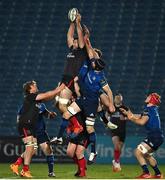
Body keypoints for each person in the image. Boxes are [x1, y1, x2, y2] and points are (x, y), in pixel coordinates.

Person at [10, 80, 64, 178]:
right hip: (26, 125)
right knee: (30, 147)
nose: (36, 85)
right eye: (34, 85)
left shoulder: (38, 102)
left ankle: (16, 165)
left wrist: (57, 91)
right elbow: (47, 94)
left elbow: (49, 97)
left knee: (33, 149)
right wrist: (59, 89)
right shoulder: (30, 97)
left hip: (32, 127)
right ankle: (24, 170)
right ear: (30, 88)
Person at [120, 93, 164, 179]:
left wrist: (131, 117)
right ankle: (158, 174)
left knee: (137, 152)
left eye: (149, 96)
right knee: (147, 155)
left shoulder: (147, 109)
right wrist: (128, 114)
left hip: (153, 137)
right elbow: (140, 116)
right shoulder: (153, 109)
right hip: (158, 137)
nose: (147, 97)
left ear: (152, 99)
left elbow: (141, 122)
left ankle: (146, 173)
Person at [108, 93, 128, 172]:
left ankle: (115, 160)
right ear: (114, 99)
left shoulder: (124, 108)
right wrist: (107, 122)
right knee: (116, 146)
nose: (118, 99)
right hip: (114, 130)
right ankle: (117, 162)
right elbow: (106, 115)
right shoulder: (111, 107)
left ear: (121, 99)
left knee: (119, 148)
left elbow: (130, 116)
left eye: (119, 98)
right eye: (116, 98)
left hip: (122, 130)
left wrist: (125, 118)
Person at [66, 112, 88, 177]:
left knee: (79, 153)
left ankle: (82, 172)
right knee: (69, 153)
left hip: (83, 134)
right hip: (74, 134)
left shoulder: (82, 109)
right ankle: (81, 166)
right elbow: (69, 124)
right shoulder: (69, 112)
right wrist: (68, 131)